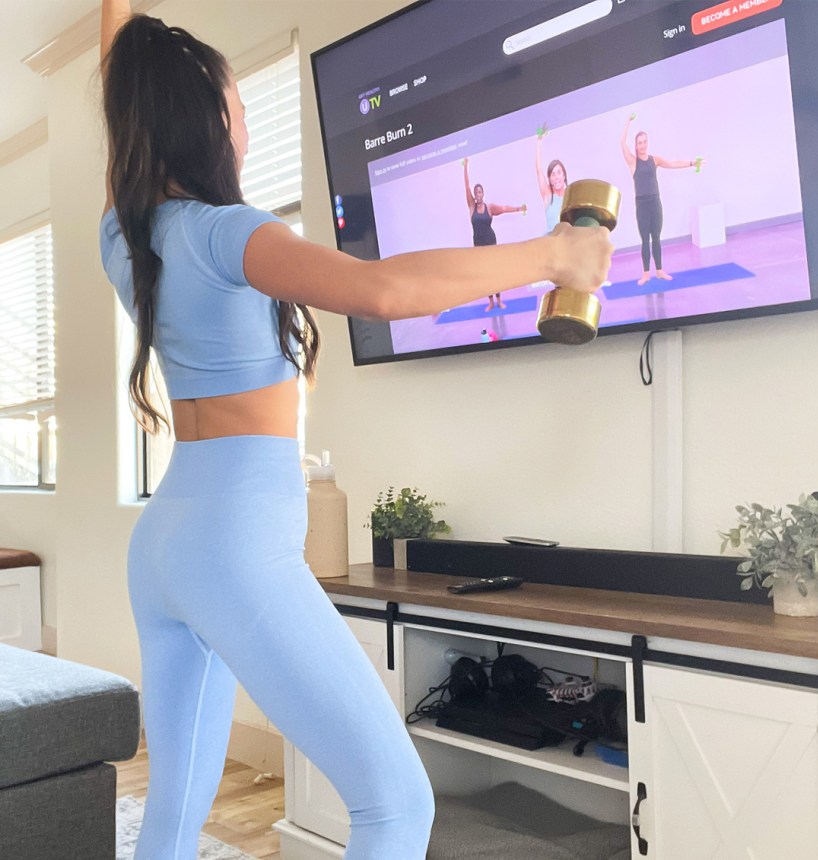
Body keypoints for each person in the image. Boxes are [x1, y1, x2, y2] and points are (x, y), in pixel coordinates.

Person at [98, 3, 613, 859]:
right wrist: (552, 256)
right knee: (396, 804)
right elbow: (379, 292)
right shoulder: (229, 234)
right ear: (209, 118)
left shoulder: (123, 234)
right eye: (238, 102)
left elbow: (125, 85)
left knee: (174, 810)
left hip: (164, 544)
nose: (247, 119)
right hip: (234, 542)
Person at [621, 113, 701, 286]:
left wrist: (692, 163)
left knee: (656, 237)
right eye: (639, 142)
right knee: (645, 239)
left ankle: (659, 271)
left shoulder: (654, 160)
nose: (642, 145)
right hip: (642, 204)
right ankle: (645, 274)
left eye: (645, 141)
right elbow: (622, 143)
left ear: (647, 143)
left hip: (655, 202)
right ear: (636, 145)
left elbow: (673, 164)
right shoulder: (632, 162)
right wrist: (627, 122)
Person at [463, 157, 526, 311]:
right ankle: (490, 302)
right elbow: (466, 187)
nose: (477, 194)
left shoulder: (489, 208)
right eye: (475, 192)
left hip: (491, 242)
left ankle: (499, 300)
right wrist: (465, 168)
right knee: (485, 275)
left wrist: (518, 208)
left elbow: (504, 208)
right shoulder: (471, 207)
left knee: (495, 273)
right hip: (478, 245)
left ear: (483, 193)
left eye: (480, 192)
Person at [534, 123, 568, 233]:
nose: (556, 177)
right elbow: (539, 170)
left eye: (558, 173)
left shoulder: (570, 194)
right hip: (550, 243)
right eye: (553, 174)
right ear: (549, 179)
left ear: (564, 175)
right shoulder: (548, 195)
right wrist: (539, 142)